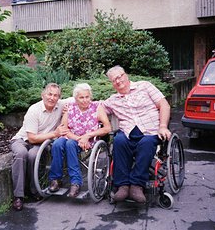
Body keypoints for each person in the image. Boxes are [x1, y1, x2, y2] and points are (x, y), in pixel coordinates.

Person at [102, 65, 172, 203]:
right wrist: (67, 106)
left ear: (126, 75)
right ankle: (122, 185)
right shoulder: (112, 100)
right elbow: (95, 107)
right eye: (114, 79)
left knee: (146, 143)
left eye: (120, 76)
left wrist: (163, 126)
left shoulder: (144, 86)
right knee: (118, 141)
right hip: (128, 132)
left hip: (150, 130)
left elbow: (164, 105)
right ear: (112, 84)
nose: (118, 80)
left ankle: (136, 185)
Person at [10, 83, 70, 211]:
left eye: (55, 95)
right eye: (49, 94)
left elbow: (80, 96)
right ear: (43, 95)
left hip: (40, 143)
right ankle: (18, 196)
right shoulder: (34, 110)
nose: (52, 98)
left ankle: (34, 190)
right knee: (21, 154)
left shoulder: (60, 105)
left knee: (34, 155)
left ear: (59, 98)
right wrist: (55, 133)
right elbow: (31, 138)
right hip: (23, 140)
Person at [48, 83, 111, 197]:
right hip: (71, 136)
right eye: (81, 97)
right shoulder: (70, 107)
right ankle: (55, 180)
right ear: (75, 98)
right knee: (57, 144)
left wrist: (87, 136)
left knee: (70, 144)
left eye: (87, 97)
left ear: (90, 97)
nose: (84, 100)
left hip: (89, 140)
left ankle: (75, 183)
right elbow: (64, 128)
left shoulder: (97, 107)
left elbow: (107, 128)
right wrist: (79, 138)